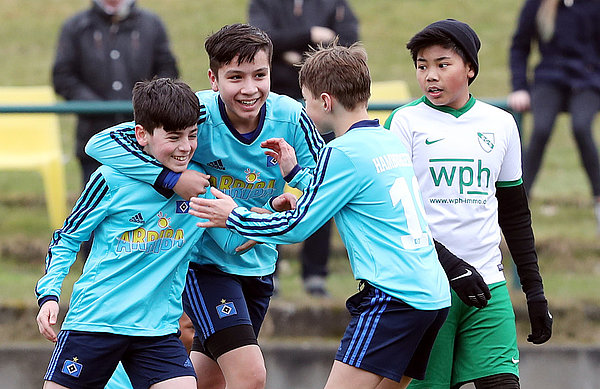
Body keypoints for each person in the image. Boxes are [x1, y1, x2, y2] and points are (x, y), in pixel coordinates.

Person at [187, 43, 451, 389]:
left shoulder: (340, 152)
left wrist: (232, 215)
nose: (304, 109)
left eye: (307, 100)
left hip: (391, 297)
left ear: (325, 103)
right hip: (431, 296)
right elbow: (342, 192)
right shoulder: (386, 142)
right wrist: (295, 173)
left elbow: (296, 226)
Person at [85, 24, 324, 389]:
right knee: (250, 375)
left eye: (260, 75)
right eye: (235, 77)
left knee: (206, 379)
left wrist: (288, 201)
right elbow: (101, 144)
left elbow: (323, 181)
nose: (249, 88)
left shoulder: (290, 116)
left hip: (257, 262)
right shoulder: (197, 113)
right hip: (205, 265)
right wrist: (172, 180)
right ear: (214, 79)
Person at [35, 78, 249, 389]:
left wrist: (272, 215)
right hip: (95, 322)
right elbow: (67, 238)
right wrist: (50, 294)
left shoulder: (201, 191)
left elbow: (234, 242)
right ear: (141, 135)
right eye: (174, 137)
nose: (186, 147)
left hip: (156, 331)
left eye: (192, 136)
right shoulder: (110, 179)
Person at [384, 19, 553, 388]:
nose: (430, 76)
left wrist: (534, 292)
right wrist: (450, 265)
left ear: (470, 68)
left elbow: (515, 213)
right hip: (425, 290)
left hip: (487, 288)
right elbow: (394, 215)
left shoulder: (502, 124)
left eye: (442, 65)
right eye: (422, 66)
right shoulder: (404, 123)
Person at [249, 0, 360, 296]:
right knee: (268, 184)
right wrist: (311, 35)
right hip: (276, 107)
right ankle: (268, 271)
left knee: (319, 182)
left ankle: (315, 274)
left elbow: (348, 50)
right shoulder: (264, 3)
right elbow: (261, 42)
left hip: (321, 109)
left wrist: (289, 55)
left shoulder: (335, 3)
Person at [52, 0, 179, 186]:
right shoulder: (75, 26)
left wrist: (144, 103)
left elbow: (168, 71)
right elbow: (63, 77)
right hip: (93, 138)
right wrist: (97, 106)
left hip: (146, 142)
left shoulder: (151, 24)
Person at [508, 0, 600, 231]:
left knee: (581, 127)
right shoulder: (538, 5)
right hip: (549, 80)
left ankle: (599, 198)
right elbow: (520, 45)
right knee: (540, 130)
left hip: (588, 81)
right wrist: (520, 87)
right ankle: (519, 202)